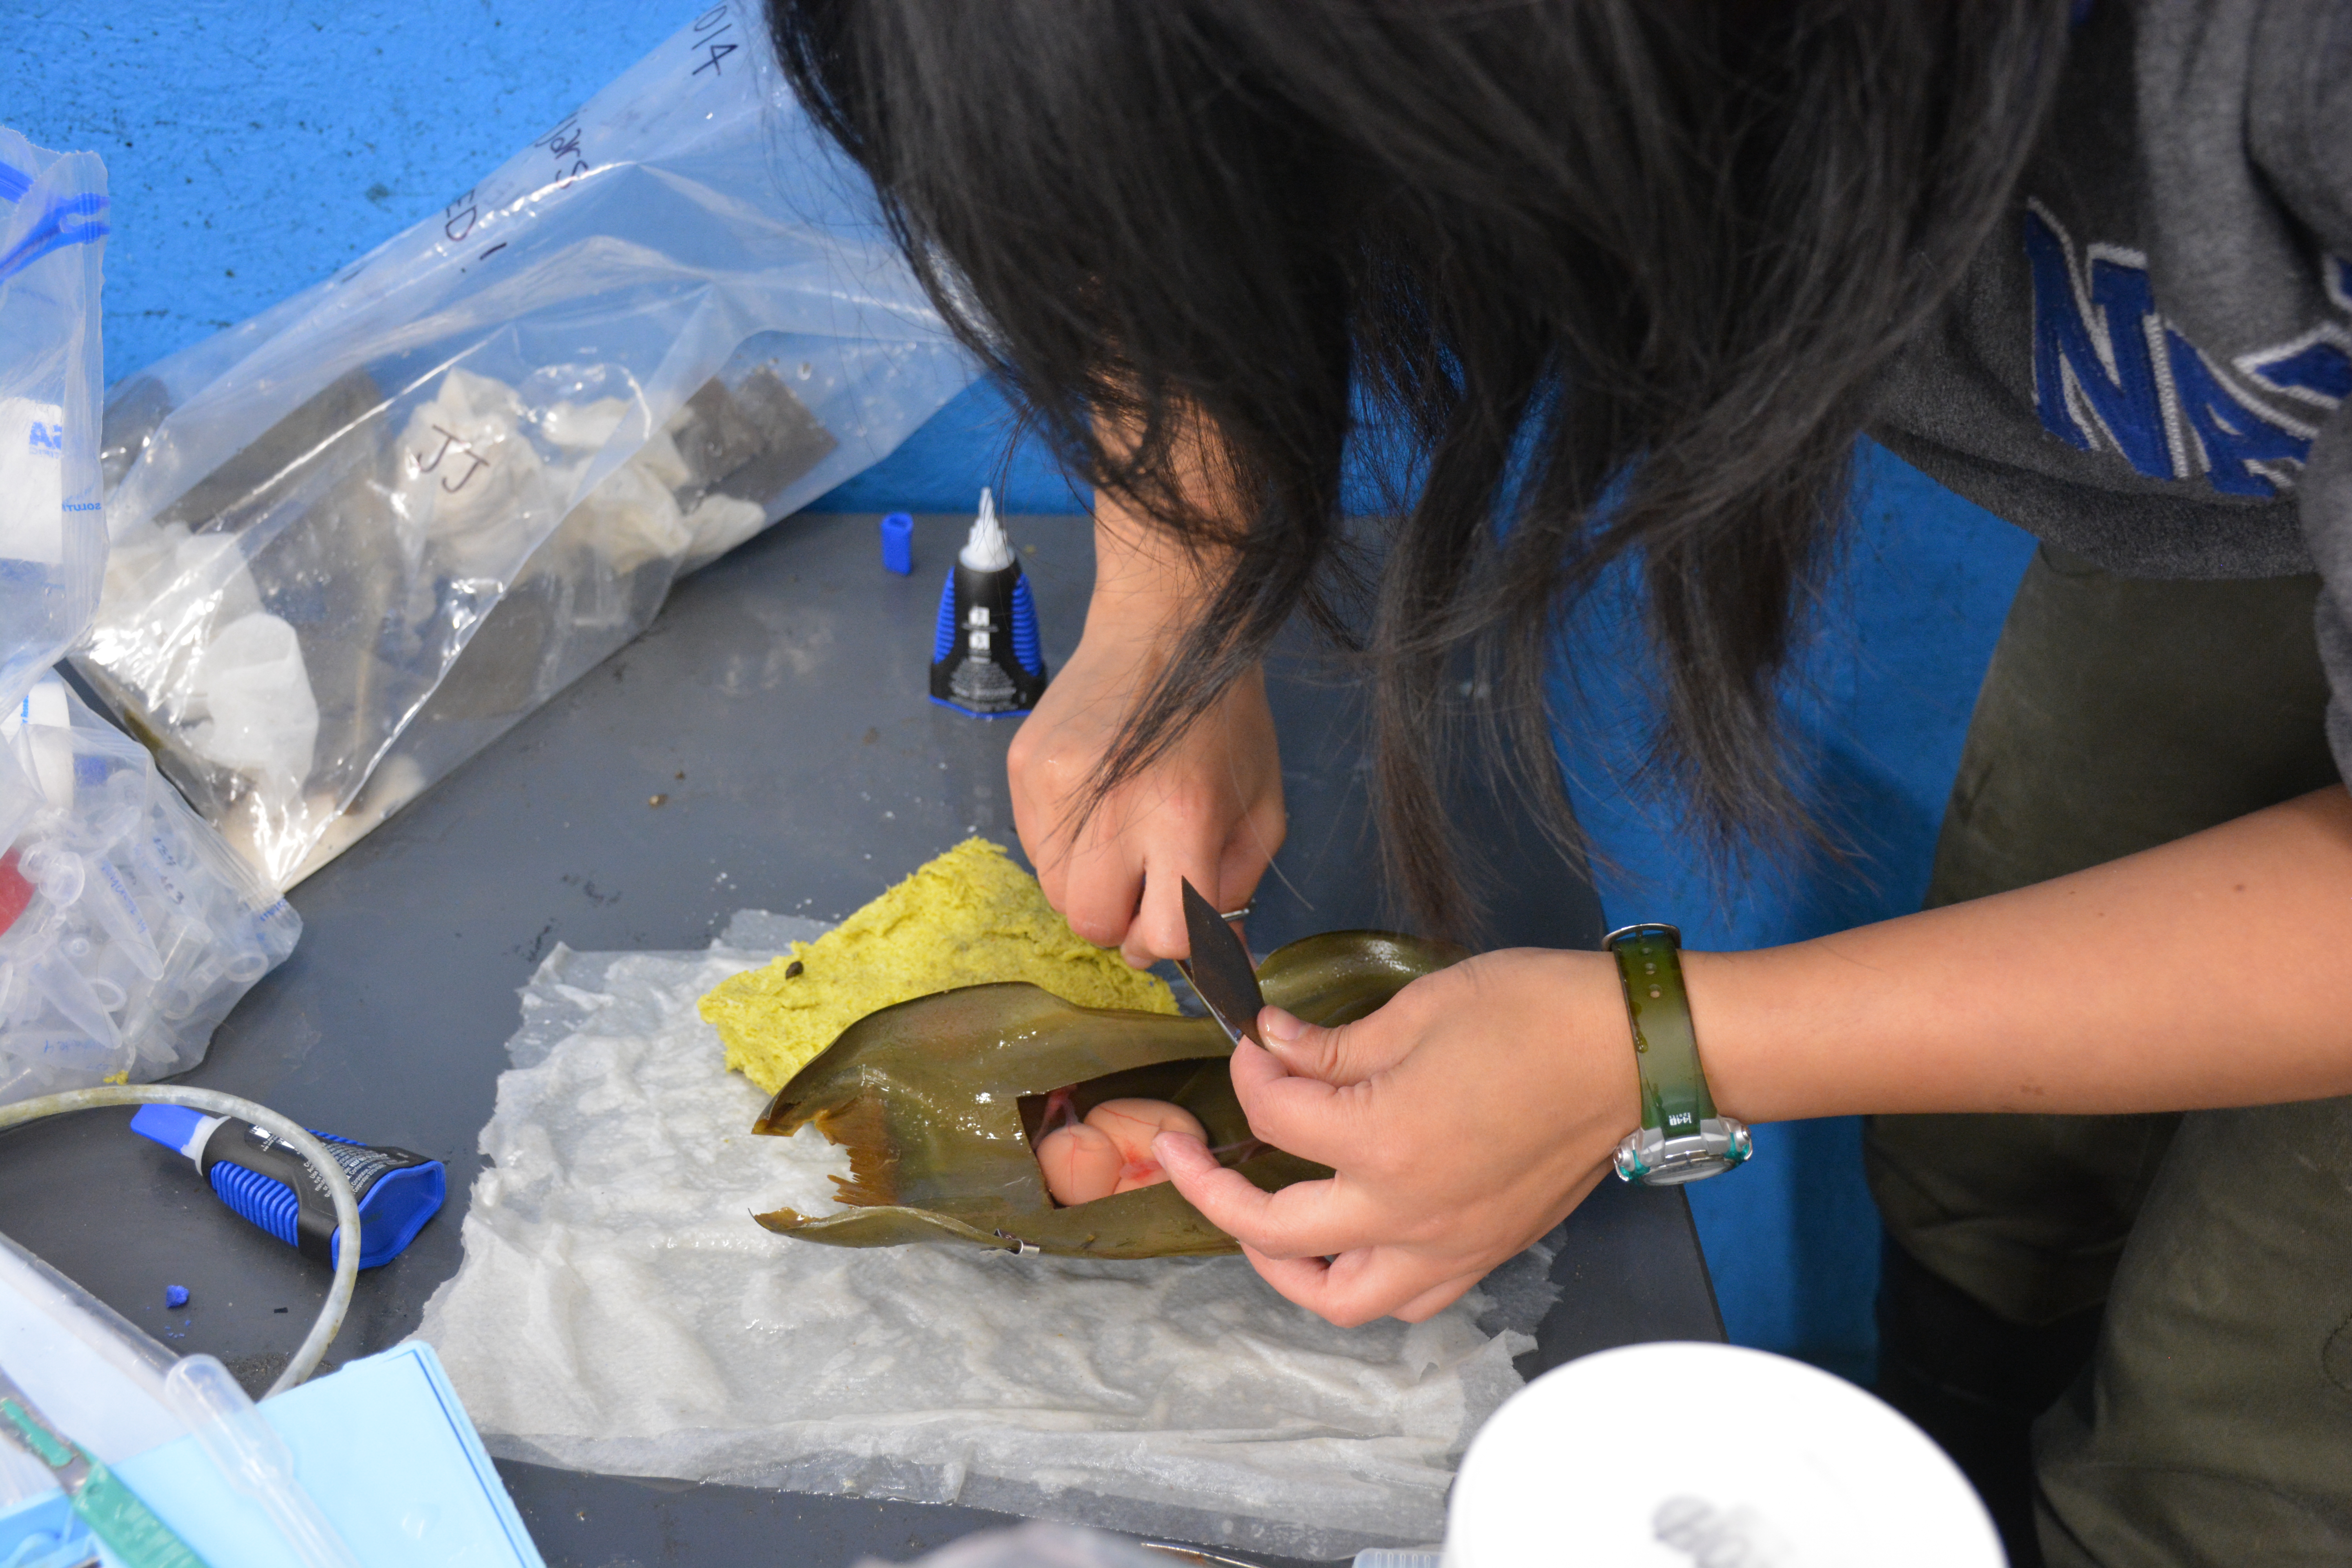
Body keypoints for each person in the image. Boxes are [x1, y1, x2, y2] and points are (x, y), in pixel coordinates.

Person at [766, 2, 2352, 1562]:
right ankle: (1946, 1434)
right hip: (2220, 474)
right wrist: (1179, 596)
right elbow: (1140, 136)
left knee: (2243, 1404)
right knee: (1997, 1129)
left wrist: (1663, 1047)